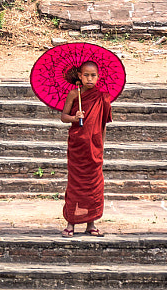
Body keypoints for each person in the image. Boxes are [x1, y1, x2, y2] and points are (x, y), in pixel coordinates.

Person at [60, 59, 113, 235]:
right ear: (80, 76)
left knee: (94, 186)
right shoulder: (74, 95)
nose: (90, 79)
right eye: (86, 75)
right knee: (75, 185)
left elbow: (103, 124)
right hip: (77, 146)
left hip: (94, 146)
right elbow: (63, 117)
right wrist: (75, 117)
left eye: (93, 75)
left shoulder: (103, 98)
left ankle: (91, 223)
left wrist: (102, 146)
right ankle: (71, 223)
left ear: (98, 77)